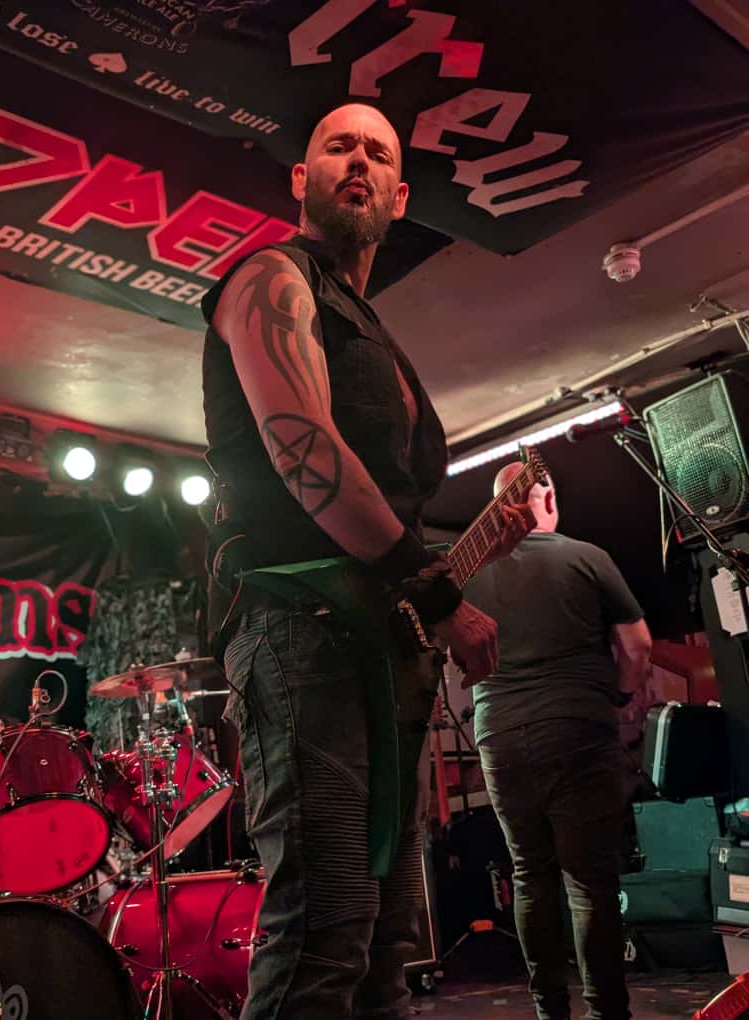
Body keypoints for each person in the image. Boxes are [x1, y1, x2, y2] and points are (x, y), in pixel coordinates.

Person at [200, 103, 534, 1020]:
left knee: (387, 940)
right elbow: (302, 448)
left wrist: (457, 565)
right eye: (337, 146)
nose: (358, 160)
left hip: (381, 642)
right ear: (300, 179)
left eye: (377, 152)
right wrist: (439, 594)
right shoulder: (272, 277)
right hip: (302, 632)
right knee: (325, 928)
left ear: (400, 195)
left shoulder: (373, 331)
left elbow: (386, 513)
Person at [465, 464, 652, 1020]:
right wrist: (620, 696)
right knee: (589, 879)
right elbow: (638, 647)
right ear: (545, 498)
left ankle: (550, 1011)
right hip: (576, 727)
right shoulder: (586, 557)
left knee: (529, 873)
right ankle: (605, 1011)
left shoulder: (469, 572)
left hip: (499, 733)